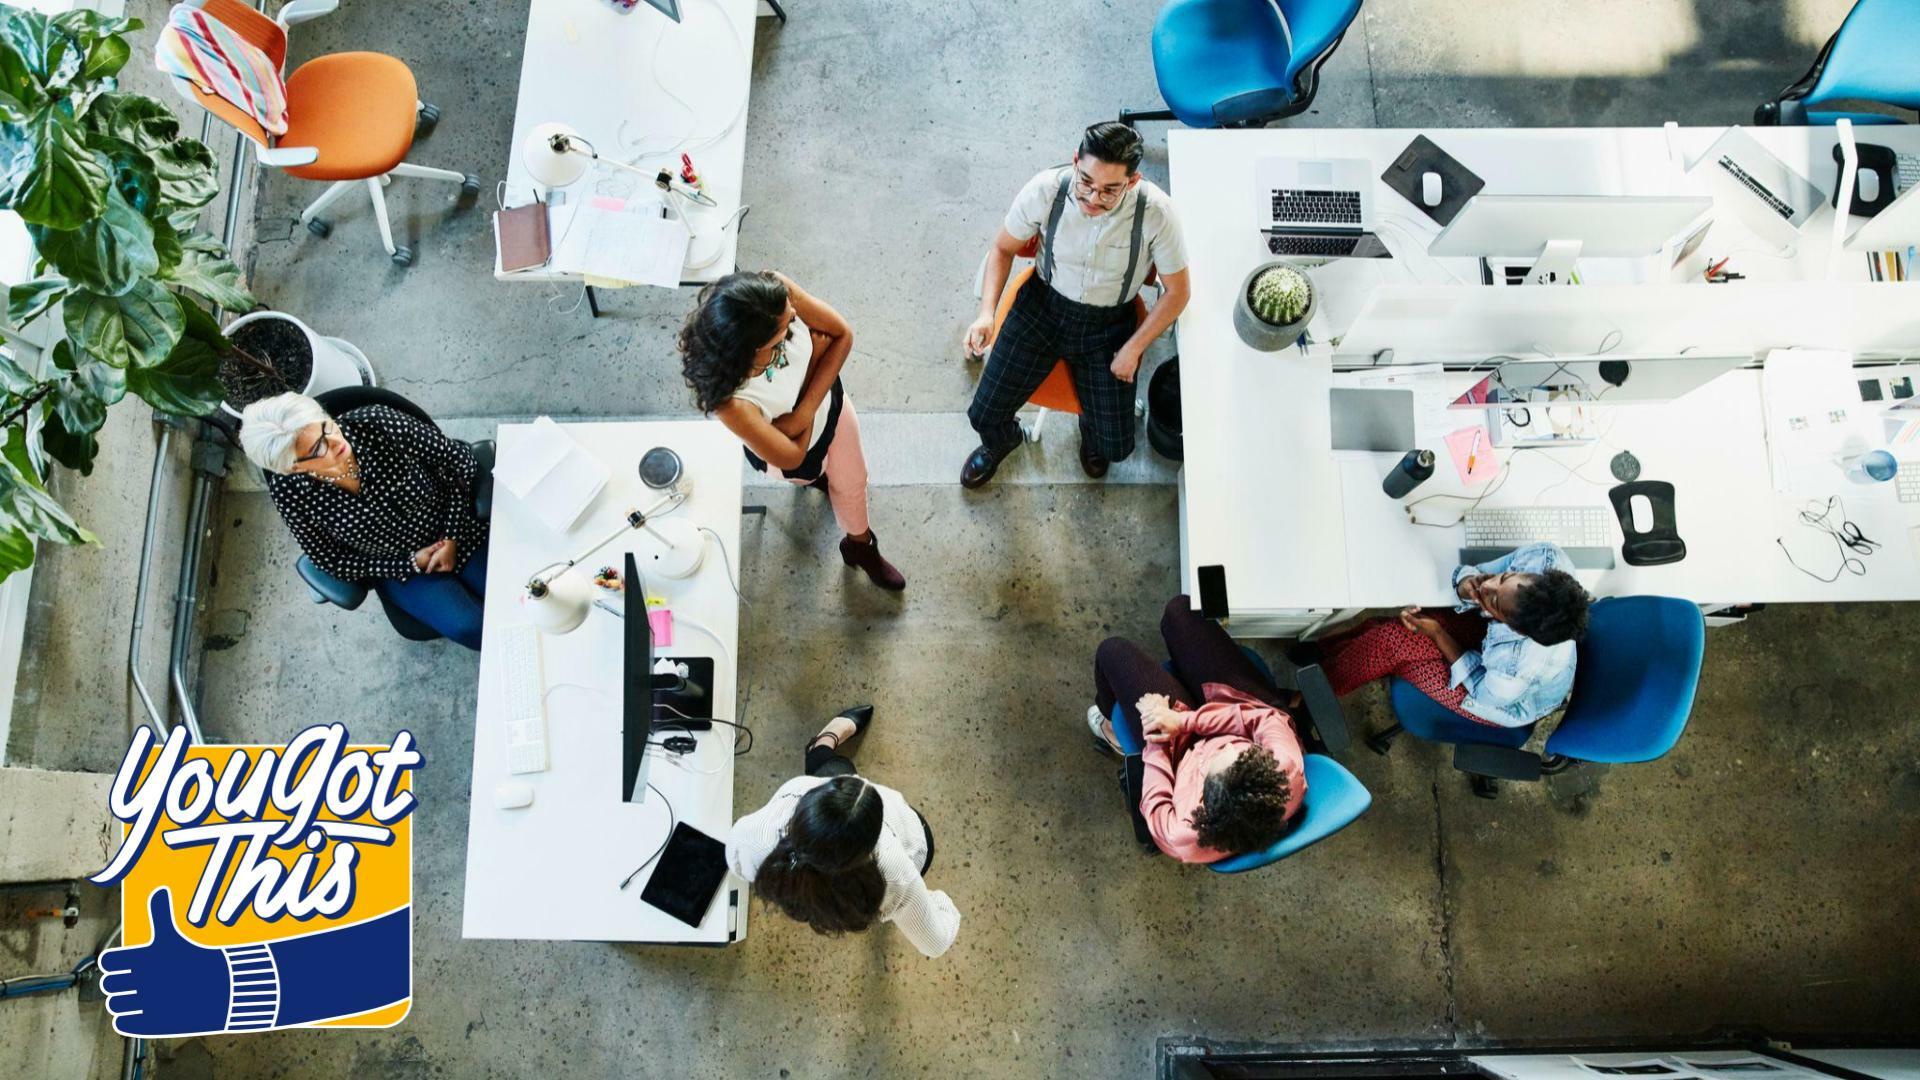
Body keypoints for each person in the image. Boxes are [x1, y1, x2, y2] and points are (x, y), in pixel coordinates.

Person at [961, 121, 1191, 487]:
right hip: (1043, 307)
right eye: (1085, 181)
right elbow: (1002, 248)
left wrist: (1133, 348)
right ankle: (1002, 440)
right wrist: (986, 313)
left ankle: (1092, 430)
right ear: (1075, 162)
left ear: (1132, 182)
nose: (1092, 198)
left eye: (1109, 190)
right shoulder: (1046, 190)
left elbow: (1178, 292)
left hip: (1110, 323)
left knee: (1115, 447)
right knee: (983, 414)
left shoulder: (1157, 214)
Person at [679, 270, 904, 591]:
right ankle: (821, 481)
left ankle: (860, 546)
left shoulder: (774, 293)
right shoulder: (732, 403)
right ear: (753, 349)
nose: (796, 317)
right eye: (786, 330)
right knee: (814, 475)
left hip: (833, 410)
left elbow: (842, 335)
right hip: (801, 455)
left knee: (853, 483)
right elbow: (792, 456)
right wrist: (814, 365)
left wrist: (796, 420)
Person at [239, 392, 489, 650]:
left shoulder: (378, 423)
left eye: (326, 426)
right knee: (470, 627)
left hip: (455, 525)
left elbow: (459, 460)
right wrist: (410, 563)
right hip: (400, 568)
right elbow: (329, 559)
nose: (335, 440)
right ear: (294, 467)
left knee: (516, 594)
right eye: (318, 448)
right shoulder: (289, 492)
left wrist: (451, 536)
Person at [726, 706, 960, 958]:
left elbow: (736, 860)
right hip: (899, 861)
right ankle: (822, 746)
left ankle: (824, 742)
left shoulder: (780, 808)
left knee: (827, 765)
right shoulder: (896, 871)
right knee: (837, 765)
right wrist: (936, 901)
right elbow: (935, 943)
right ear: (873, 842)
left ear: (805, 808)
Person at [1088, 596, 1306, 864]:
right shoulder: (1283, 768)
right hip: (1235, 708)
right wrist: (1184, 721)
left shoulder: (1179, 835)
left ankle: (1111, 727)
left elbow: (1155, 798)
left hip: (1177, 752)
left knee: (1113, 652)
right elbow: (1262, 718)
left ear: (1204, 800)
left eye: (1214, 760)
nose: (1221, 746)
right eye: (1241, 750)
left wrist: (1157, 732)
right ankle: (1186, 680)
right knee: (1180, 611)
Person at [1312, 542, 1592, 728]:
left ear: (1515, 628)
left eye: (1494, 603)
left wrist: (1437, 633)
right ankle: (1324, 661)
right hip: (1494, 645)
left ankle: (1314, 694)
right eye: (1505, 578)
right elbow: (1480, 574)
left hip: (1494, 697)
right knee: (1391, 633)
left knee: (1392, 644)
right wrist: (1467, 585)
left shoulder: (1516, 667)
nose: (1490, 586)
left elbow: (1483, 690)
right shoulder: (1544, 558)